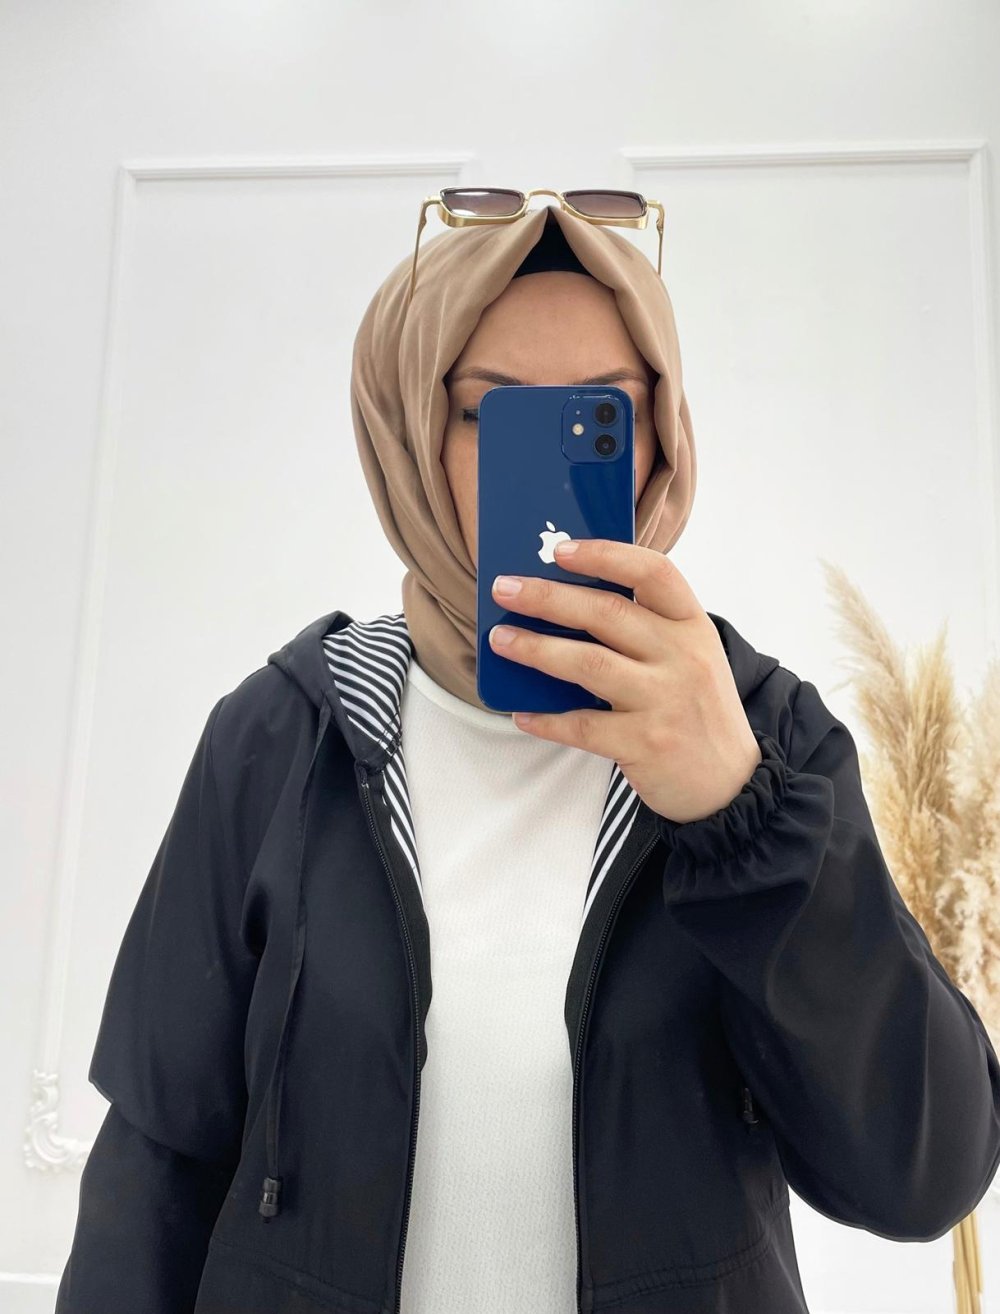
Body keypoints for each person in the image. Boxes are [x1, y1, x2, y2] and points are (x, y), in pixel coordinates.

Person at [56, 202, 1000, 1314]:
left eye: (602, 413)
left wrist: (736, 813)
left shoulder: (763, 736)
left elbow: (919, 1179)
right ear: (409, 433)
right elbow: (157, 1168)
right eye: (490, 412)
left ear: (659, 440)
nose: (550, 460)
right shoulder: (280, 733)